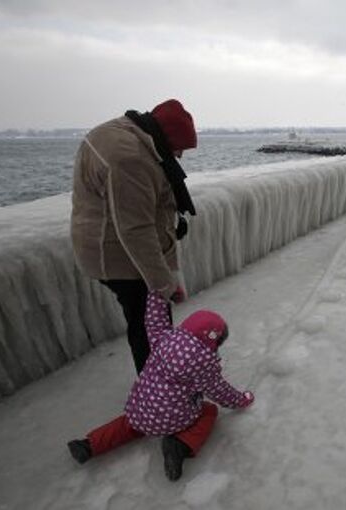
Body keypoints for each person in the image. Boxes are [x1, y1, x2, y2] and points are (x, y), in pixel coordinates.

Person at [67, 291, 254, 481]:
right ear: (213, 341)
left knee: (126, 424)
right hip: (174, 419)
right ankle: (180, 445)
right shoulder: (204, 366)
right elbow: (221, 392)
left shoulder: (162, 339)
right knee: (209, 411)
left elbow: (155, 319)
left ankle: (89, 445)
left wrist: (159, 293)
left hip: (141, 409)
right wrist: (242, 400)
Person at [71, 99, 198, 373]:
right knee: (150, 325)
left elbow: (159, 214)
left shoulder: (131, 132)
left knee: (148, 320)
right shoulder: (130, 158)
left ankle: (159, 382)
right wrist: (164, 283)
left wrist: (171, 271)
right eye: (179, 148)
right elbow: (137, 229)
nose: (180, 156)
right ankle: (159, 392)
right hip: (116, 254)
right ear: (167, 138)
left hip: (108, 243)